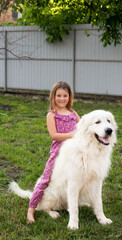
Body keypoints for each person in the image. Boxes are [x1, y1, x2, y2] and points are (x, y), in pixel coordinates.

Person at [27, 81, 80, 223]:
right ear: (53, 97)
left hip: (73, 153)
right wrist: (72, 134)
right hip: (58, 154)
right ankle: (31, 210)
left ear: (70, 97)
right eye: (59, 95)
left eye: (65, 95)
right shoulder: (52, 115)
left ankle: (71, 203)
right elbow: (54, 135)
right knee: (46, 179)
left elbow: (81, 129)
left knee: (73, 178)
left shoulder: (73, 113)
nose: (62, 98)